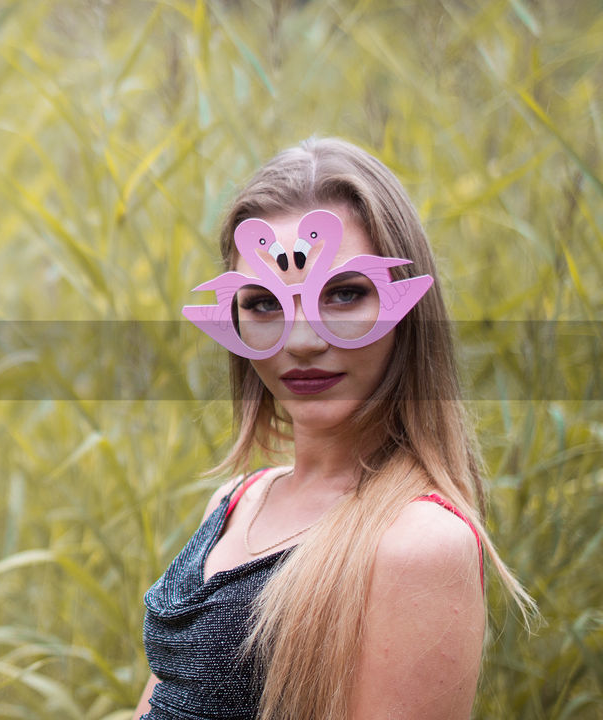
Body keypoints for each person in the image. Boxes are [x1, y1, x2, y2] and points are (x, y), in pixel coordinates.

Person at [134, 137, 536, 720]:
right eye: (265, 304)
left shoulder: (417, 542)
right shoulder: (235, 502)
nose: (303, 341)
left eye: (345, 294)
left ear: (407, 309)